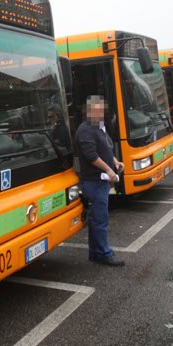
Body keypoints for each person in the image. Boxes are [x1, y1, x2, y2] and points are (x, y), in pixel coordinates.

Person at [74, 95, 125, 267]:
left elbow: (105, 149)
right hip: (94, 182)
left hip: (101, 181)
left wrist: (115, 161)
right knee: (100, 219)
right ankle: (104, 254)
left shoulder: (98, 127)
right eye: (97, 109)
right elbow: (92, 156)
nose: (101, 111)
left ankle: (95, 253)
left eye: (102, 108)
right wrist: (109, 169)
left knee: (97, 219)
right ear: (89, 111)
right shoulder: (85, 130)